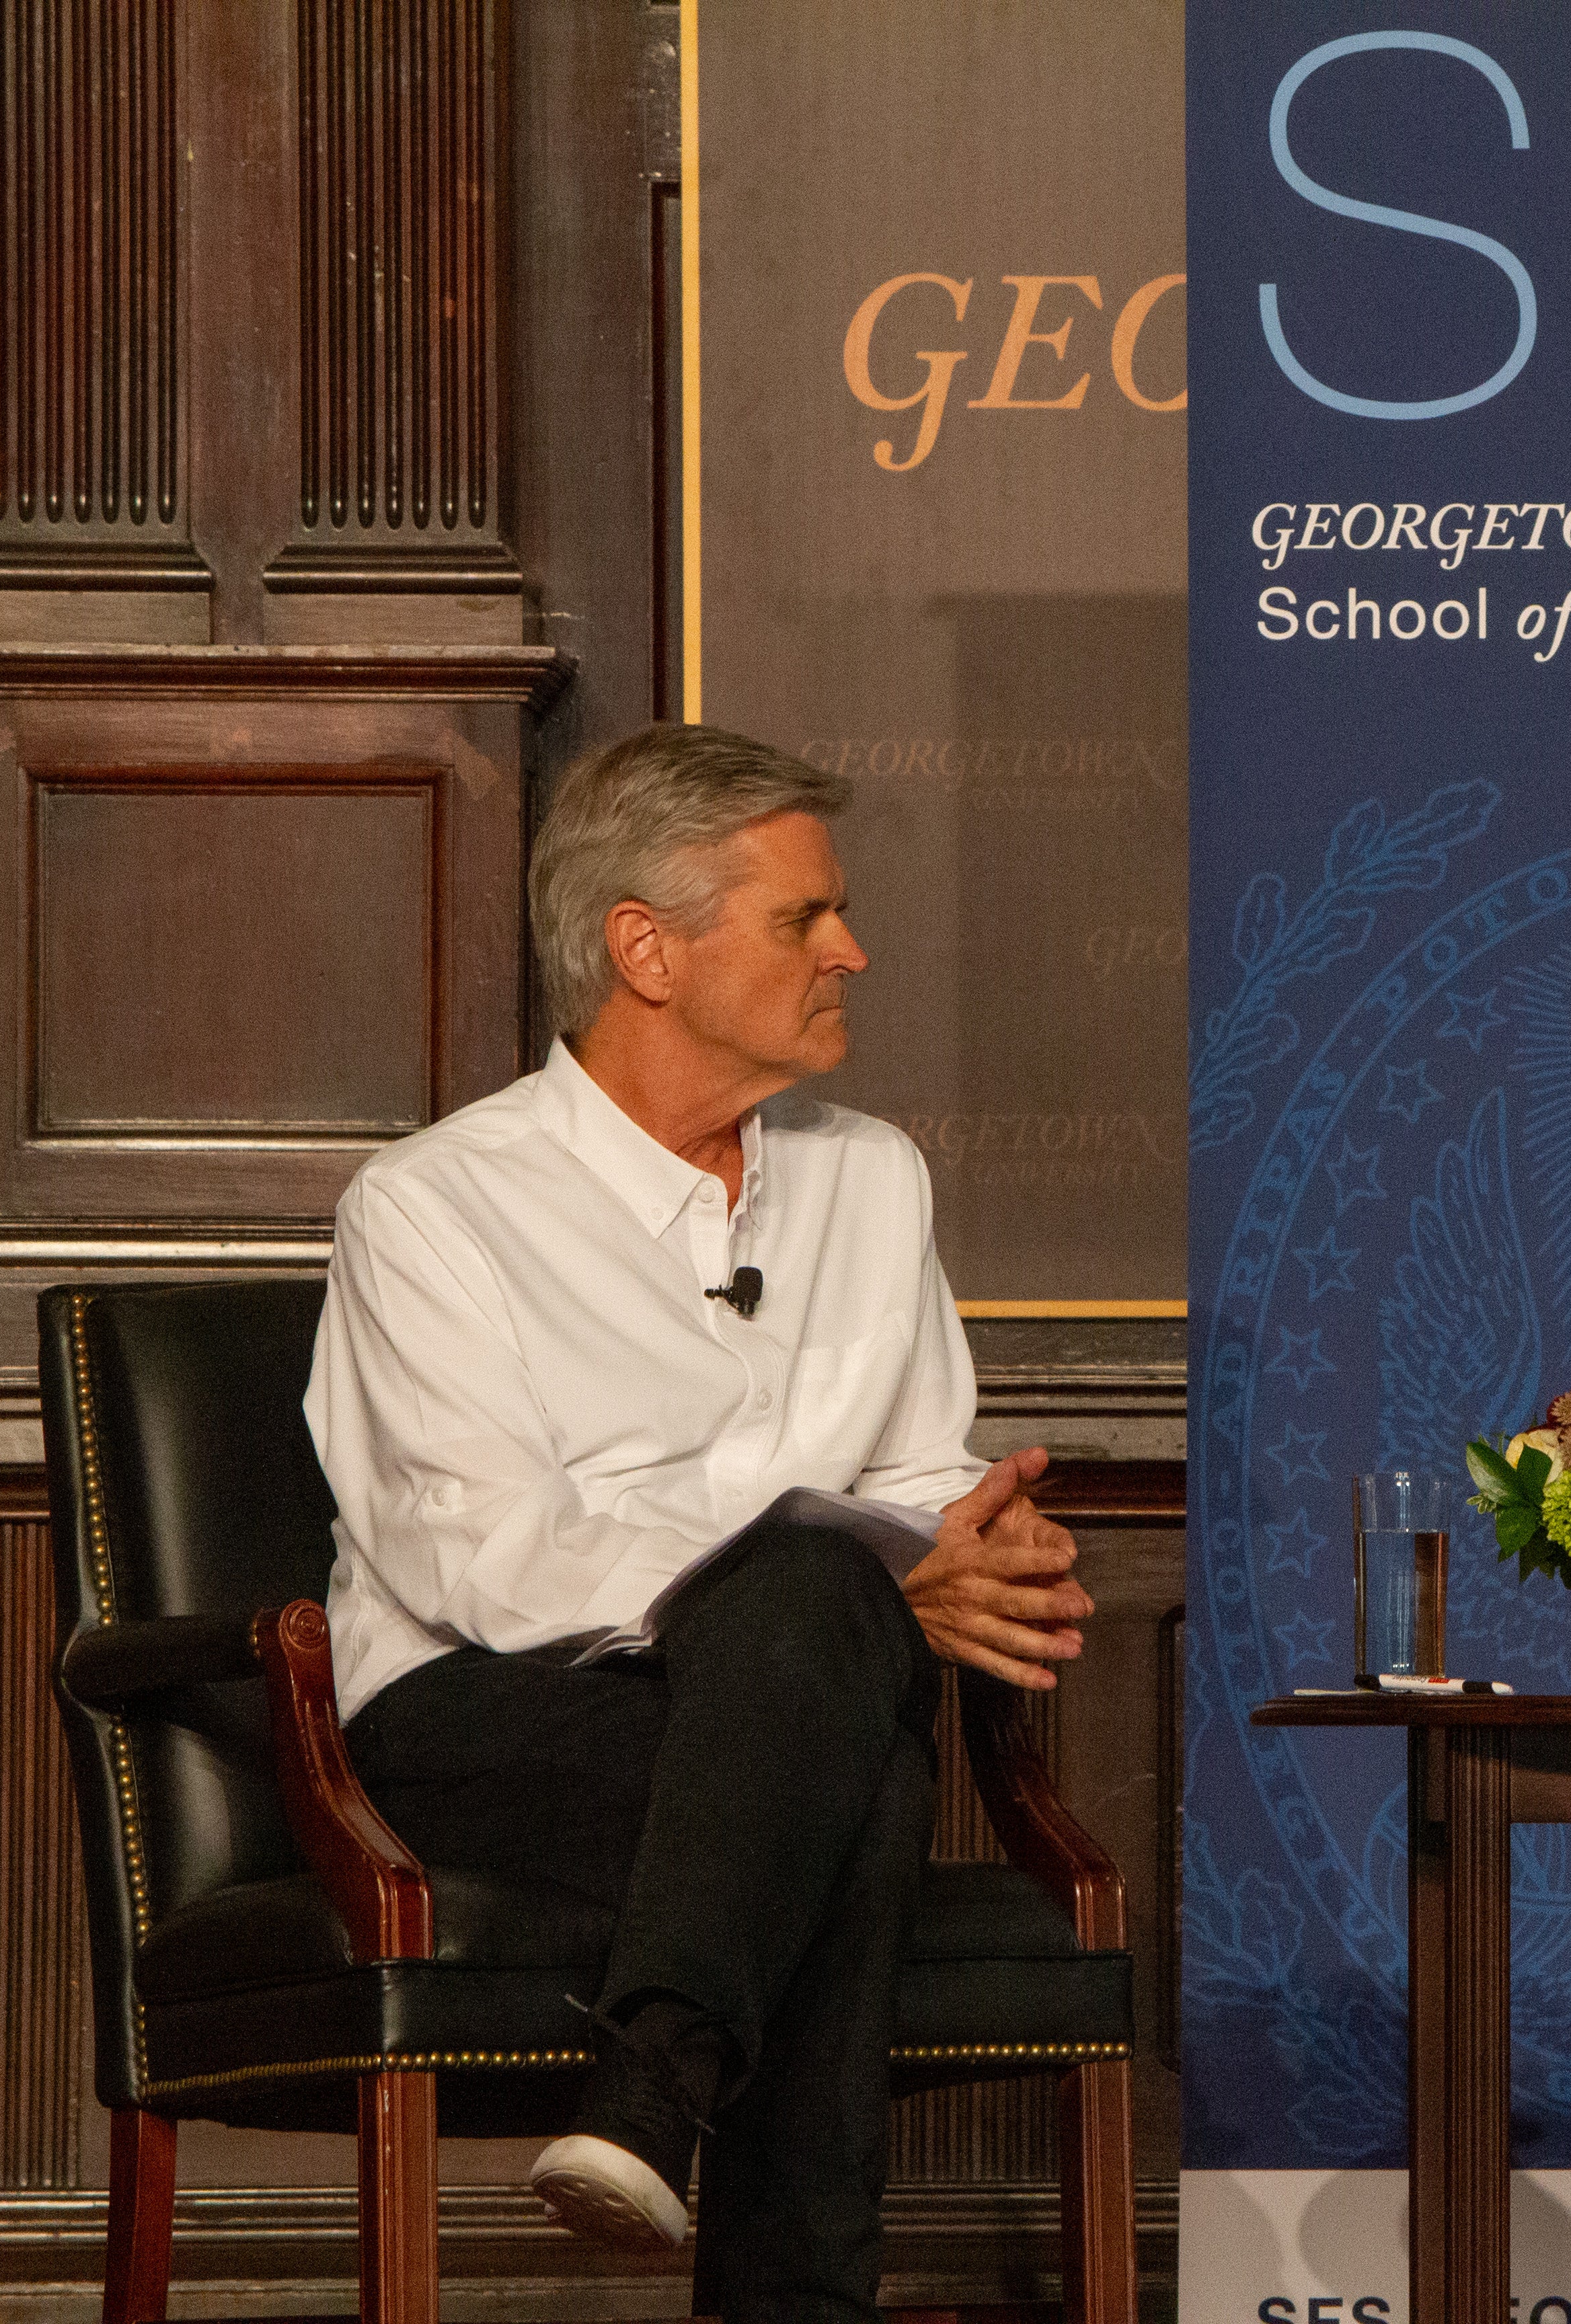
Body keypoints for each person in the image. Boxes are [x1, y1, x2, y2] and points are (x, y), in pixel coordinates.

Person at [307, 724, 1096, 2323]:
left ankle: (654, 2085)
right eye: (807, 917)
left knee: (837, 1721)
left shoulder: (870, 1180)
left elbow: (918, 1471)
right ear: (643, 950)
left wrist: (974, 1541)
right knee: (841, 1717)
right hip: (489, 1721)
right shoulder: (435, 1207)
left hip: (775, 1712)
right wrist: (851, 1580)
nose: (852, 950)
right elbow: (484, 1555)